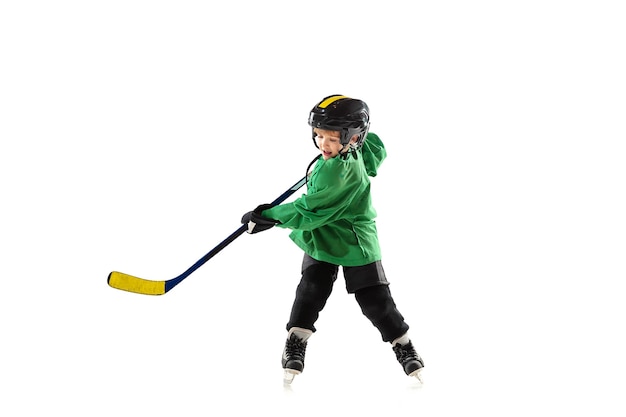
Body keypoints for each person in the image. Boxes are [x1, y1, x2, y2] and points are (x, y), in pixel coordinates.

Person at [241, 94, 424, 383]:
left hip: (354, 239)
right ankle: (296, 341)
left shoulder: (336, 173)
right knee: (311, 289)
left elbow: (308, 210)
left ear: (352, 138)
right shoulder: (358, 148)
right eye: (318, 136)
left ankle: (404, 346)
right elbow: (374, 148)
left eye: (331, 138)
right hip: (324, 236)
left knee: (374, 299)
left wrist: (268, 215)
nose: (323, 145)